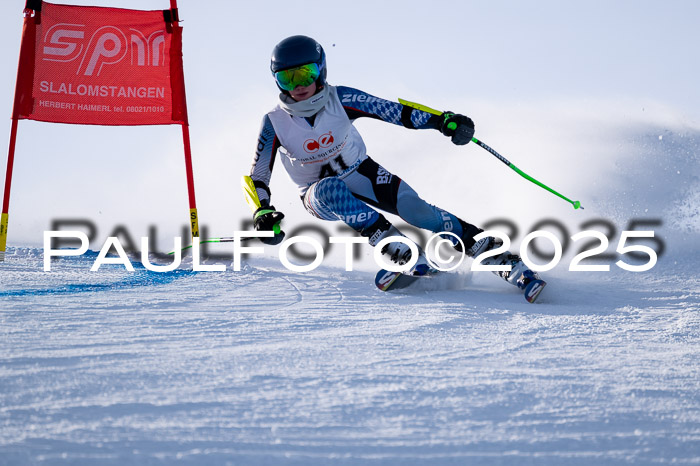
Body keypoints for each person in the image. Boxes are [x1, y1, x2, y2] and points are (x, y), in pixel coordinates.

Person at [247, 35, 517, 279]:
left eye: (305, 74)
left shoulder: (339, 98)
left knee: (417, 210)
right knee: (331, 188)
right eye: (287, 78)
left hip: (361, 171)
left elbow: (392, 111)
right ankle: (397, 248)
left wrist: (442, 121)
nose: (298, 86)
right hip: (316, 195)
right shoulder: (274, 122)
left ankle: (497, 255)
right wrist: (262, 211)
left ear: (321, 70)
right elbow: (258, 175)